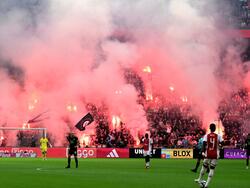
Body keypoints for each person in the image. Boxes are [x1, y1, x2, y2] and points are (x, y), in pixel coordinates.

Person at [195, 123, 223, 188]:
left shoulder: (206, 136)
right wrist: (219, 146)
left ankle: (200, 178)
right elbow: (222, 143)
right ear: (215, 129)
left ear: (210, 129)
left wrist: (202, 152)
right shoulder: (218, 136)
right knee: (212, 169)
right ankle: (206, 185)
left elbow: (204, 145)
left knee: (204, 166)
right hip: (215, 154)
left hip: (208, 153)